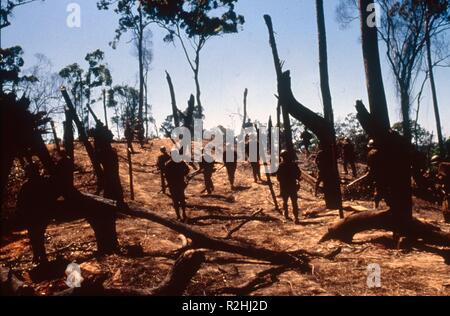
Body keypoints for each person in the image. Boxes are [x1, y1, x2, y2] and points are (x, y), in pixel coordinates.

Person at [17, 163, 57, 264]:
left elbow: (20, 203)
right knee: (38, 235)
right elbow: (51, 197)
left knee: (35, 235)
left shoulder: (26, 186)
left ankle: (39, 256)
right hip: (41, 214)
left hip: (33, 215)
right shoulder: (43, 182)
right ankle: (40, 256)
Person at [277, 150, 302, 224]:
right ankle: (296, 217)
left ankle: (286, 214)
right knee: (294, 202)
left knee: (285, 201)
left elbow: (278, 177)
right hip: (292, 186)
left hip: (284, 186)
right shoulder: (293, 164)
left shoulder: (281, 165)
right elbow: (298, 174)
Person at [165, 150, 190, 222]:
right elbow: (187, 170)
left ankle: (180, 215)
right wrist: (183, 174)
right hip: (178, 184)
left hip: (174, 185)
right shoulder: (180, 162)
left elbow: (166, 176)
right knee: (180, 200)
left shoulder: (168, 164)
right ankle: (181, 215)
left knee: (177, 200)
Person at [367, 139, 390, 209]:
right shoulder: (384, 152)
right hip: (385, 174)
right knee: (385, 189)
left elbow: (370, 166)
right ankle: (390, 205)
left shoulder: (371, 153)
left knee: (379, 189)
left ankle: (376, 206)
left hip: (378, 175)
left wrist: (370, 172)